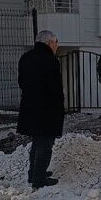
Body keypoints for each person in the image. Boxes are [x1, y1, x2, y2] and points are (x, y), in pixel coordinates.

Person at [17, 30, 64, 189]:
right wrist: (59, 107)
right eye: (56, 42)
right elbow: (55, 88)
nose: (57, 45)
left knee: (37, 141)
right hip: (47, 109)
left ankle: (34, 172)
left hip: (30, 106)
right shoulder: (50, 60)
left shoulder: (26, 57)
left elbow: (21, 82)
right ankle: (39, 178)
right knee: (45, 143)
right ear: (50, 42)